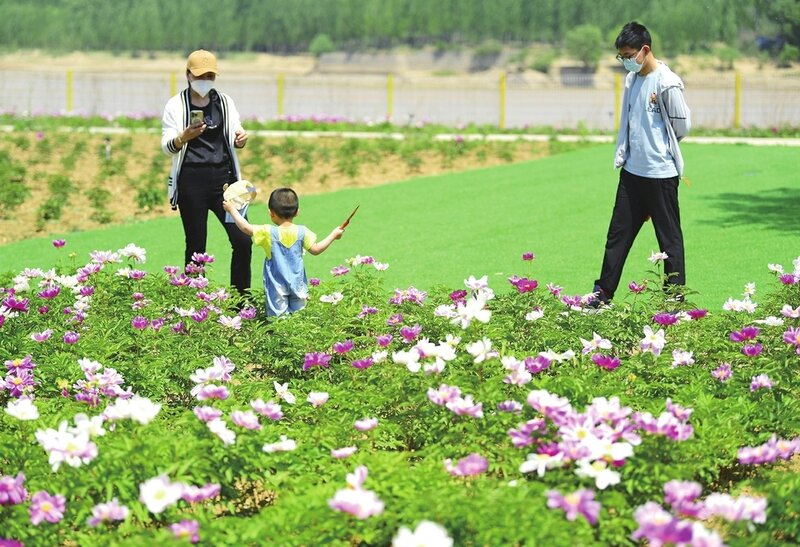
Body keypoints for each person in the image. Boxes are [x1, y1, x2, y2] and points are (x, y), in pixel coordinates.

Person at [592, 21, 691, 305]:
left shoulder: (666, 82)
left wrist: (659, 148)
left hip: (660, 175)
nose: (625, 61)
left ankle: (673, 299)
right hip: (632, 174)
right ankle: (602, 293)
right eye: (621, 56)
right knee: (617, 236)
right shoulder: (632, 80)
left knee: (669, 241)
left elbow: (682, 126)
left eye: (628, 55)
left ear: (644, 50)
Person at [160, 49, 252, 295]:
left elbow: (236, 131)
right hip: (191, 182)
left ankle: (240, 300)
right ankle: (195, 301)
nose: (204, 80)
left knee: (243, 239)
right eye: (200, 75)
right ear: (188, 75)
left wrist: (241, 138)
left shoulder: (225, 102)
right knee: (196, 246)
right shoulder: (176, 105)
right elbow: (167, 147)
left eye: (209, 75)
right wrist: (183, 137)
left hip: (227, 182)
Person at [222, 188, 345, 317]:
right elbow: (316, 249)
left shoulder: (268, 232)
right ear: (297, 212)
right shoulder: (303, 231)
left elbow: (245, 227)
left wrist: (232, 210)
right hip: (298, 285)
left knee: (279, 320)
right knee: (299, 318)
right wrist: (333, 235)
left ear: (271, 213)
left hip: (276, 287)